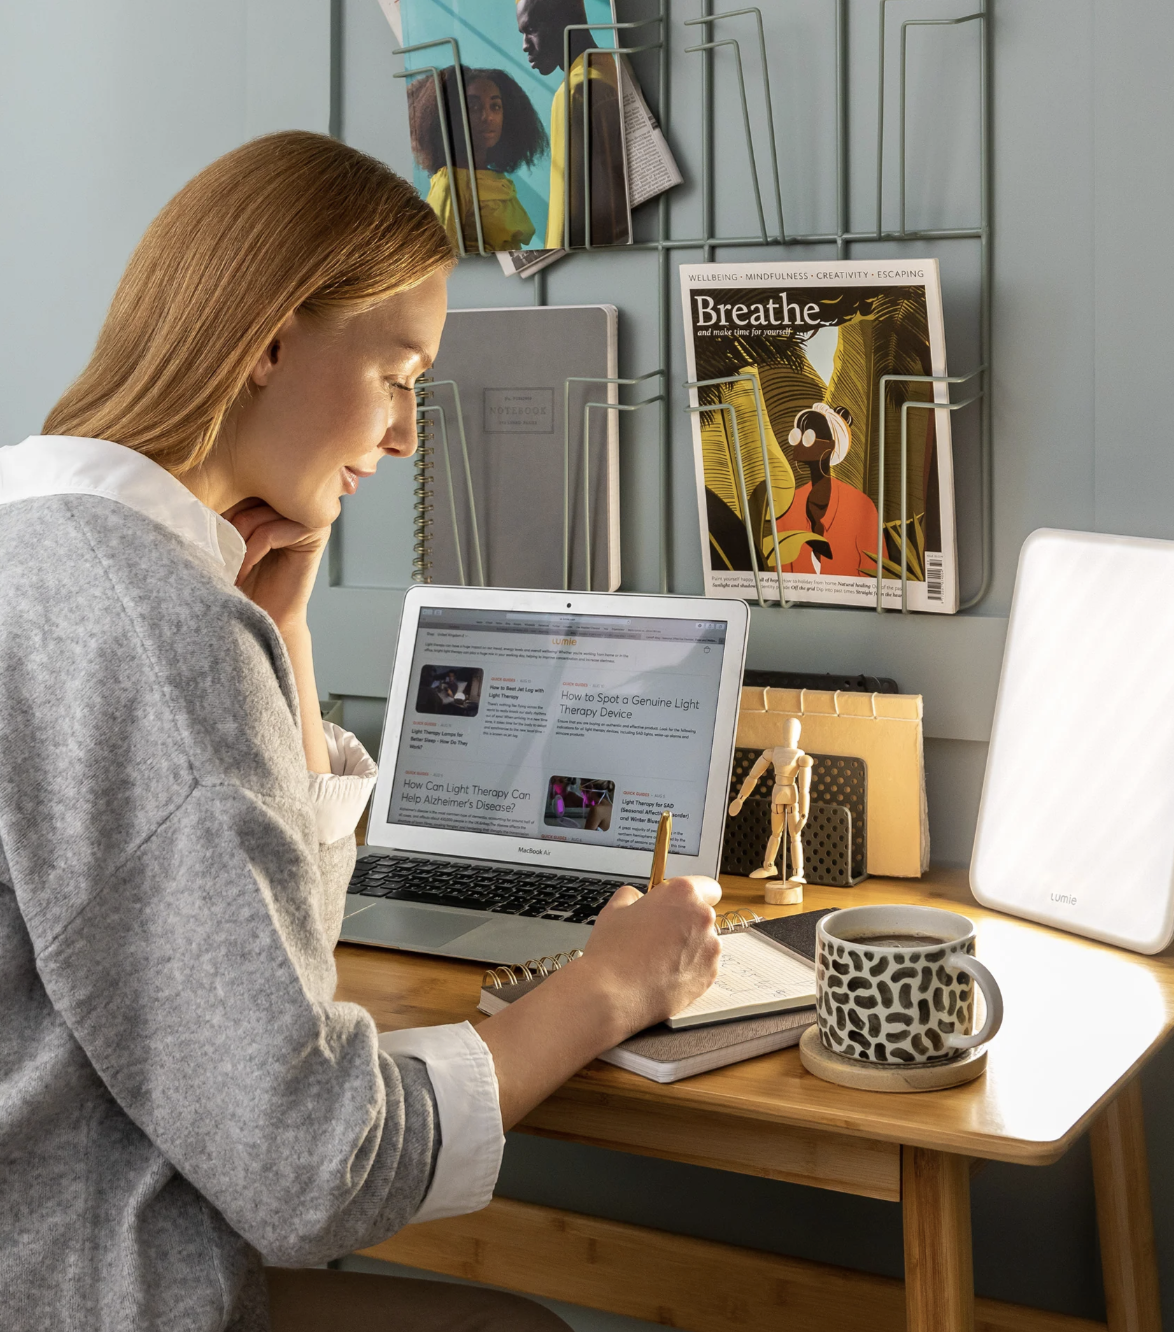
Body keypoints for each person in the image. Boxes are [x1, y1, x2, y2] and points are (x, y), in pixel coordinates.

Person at [0, 131, 721, 1331]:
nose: (401, 438)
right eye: (398, 375)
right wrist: (604, 987)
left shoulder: (35, 534)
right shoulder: (145, 621)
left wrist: (277, 629)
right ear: (271, 339)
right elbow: (313, 1165)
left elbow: (253, 965)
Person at [515, 0, 630, 248]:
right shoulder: (611, 70)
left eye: (532, 28)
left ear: (564, 17)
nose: (524, 46)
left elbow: (565, 222)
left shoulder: (576, 92)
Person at [407, 66, 547, 252]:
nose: (487, 117)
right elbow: (438, 259)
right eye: (473, 107)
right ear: (453, 117)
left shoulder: (499, 180)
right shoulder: (451, 183)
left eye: (495, 106)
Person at [775, 403, 880, 577]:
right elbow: (783, 571)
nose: (799, 442)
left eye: (808, 436)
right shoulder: (789, 506)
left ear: (830, 445)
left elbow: (874, 572)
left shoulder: (861, 506)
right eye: (797, 434)